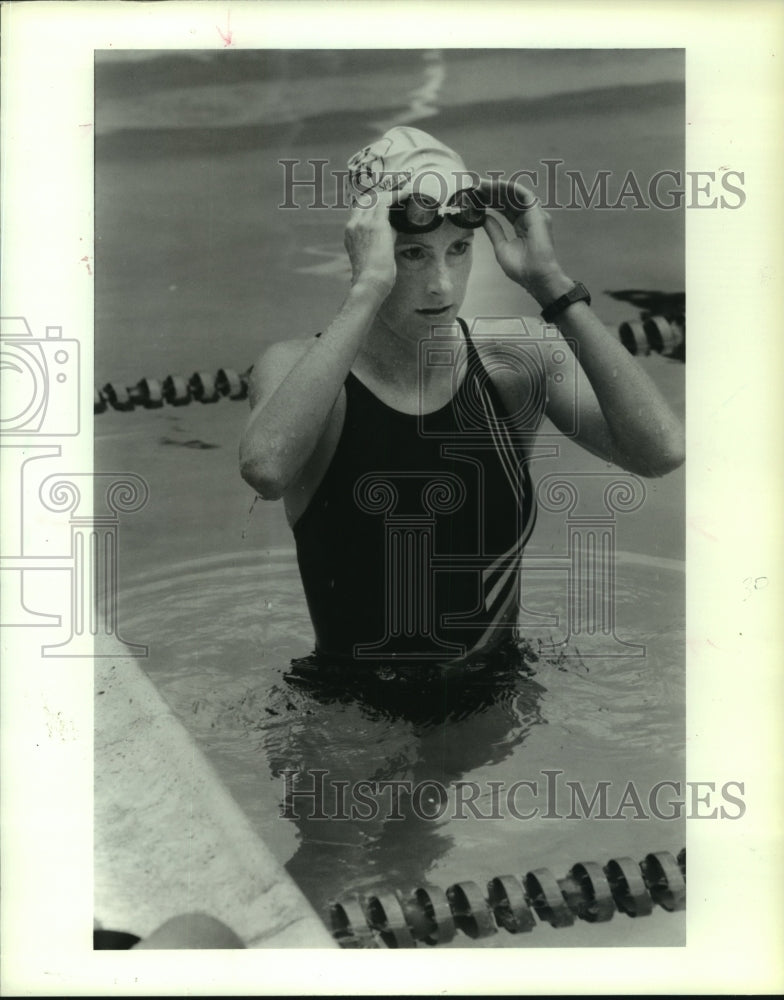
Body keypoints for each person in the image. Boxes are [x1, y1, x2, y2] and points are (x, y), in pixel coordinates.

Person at [239, 126, 684, 683]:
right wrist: (366, 290)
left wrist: (551, 286)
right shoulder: (297, 369)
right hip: (354, 722)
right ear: (367, 249)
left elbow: (660, 451)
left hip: (498, 704)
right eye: (412, 255)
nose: (442, 285)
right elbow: (266, 468)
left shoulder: (514, 363)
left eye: (458, 250)